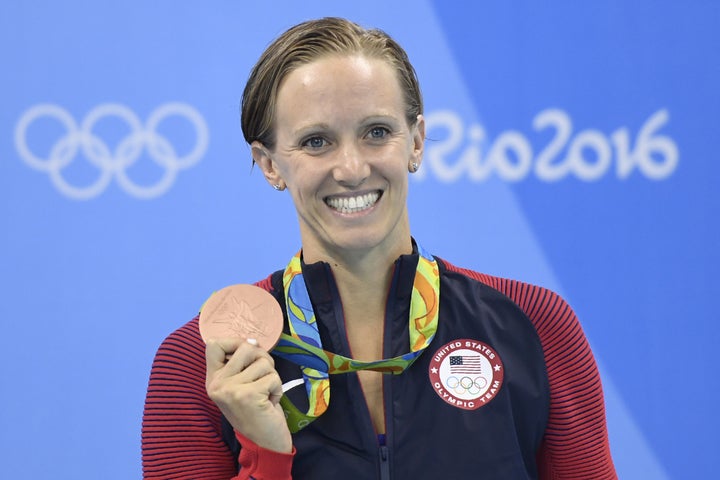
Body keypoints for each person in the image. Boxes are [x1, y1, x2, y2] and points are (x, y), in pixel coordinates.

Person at [142, 17, 617, 479]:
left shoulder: (533, 324)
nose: (350, 168)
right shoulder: (201, 365)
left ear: (416, 140)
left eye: (376, 132)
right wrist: (265, 456)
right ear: (269, 164)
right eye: (316, 141)